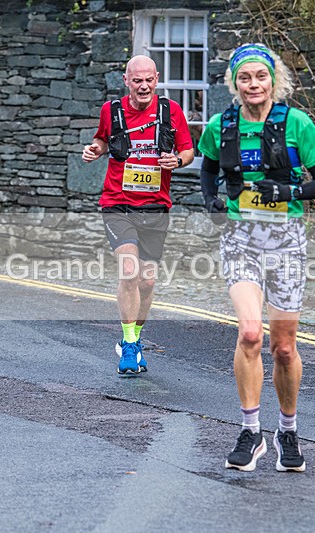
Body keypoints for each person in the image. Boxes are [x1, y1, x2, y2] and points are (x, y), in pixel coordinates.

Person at [198, 44, 315, 472]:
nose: (253, 85)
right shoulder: (222, 125)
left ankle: (288, 432)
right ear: (234, 83)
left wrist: (288, 191)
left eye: (260, 77)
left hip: (287, 243)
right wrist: (211, 200)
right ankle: (250, 430)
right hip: (240, 240)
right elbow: (206, 167)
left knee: (284, 348)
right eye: (244, 78)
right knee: (251, 334)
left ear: (273, 80)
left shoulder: (297, 124)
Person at [83, 55, 194, 376]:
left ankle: (134, 337)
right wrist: (94, 149)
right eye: (137, 80)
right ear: (126, 80)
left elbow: (188, 150)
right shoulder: (112, 111)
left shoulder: (171, 112)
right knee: (129, 271)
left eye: (148, 80)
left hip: (155, 206)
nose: (143, 86)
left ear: (156, 79)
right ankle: (129, 345)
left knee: (147, 281)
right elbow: (103, 139)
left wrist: (179, 161)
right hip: (117, 203)